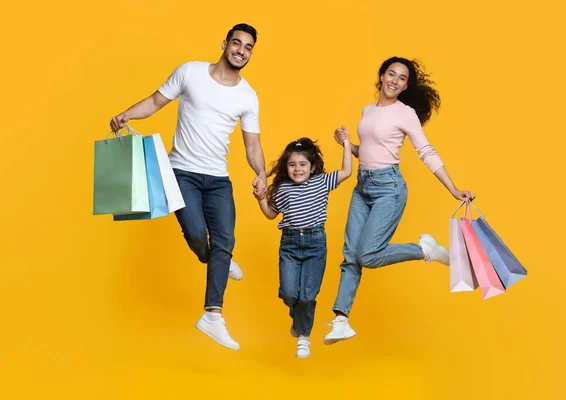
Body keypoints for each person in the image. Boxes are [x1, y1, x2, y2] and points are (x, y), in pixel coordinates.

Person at [109, 23, 267, 351]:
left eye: (248, 47)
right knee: (197, 235)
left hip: (218, 180)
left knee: (226, 239)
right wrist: (127, 114)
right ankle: (216, 259)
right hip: (181, 172)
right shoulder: (190, 73)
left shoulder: (247, 96)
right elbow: (155, 101)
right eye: (236, 43)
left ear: (251, 53)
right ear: (224, 43)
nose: (241, 50)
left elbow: (252, 145)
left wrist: (262, 174)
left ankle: (213, 315)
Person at [323, 56, 476, 344]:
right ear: (381, 76)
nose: (394, 80)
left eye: (401, 78)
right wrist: (346, 143)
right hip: (362, 187)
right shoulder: (367, 111)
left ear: (405, 86)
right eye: (390, 74)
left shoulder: (405, 113)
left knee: (368, 254)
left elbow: (426, 152)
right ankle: (341, 320)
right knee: (351, 254)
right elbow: (367, 151)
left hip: (388, 189)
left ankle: (424, 250)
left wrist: (453, 189)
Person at [254, 137, 352, 357]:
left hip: (315, 244)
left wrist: (346, 143)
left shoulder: (321, 182)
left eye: (302, 164)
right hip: (289, 244)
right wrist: (260, 198)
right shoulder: (281, 189)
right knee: (289, 293)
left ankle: (303, 337)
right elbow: (271, 214)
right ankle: (299, 319)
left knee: (307, 296)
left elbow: (346, 171)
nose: (297, 169)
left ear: (312, 167)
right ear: (285, 167)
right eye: (292, 164)